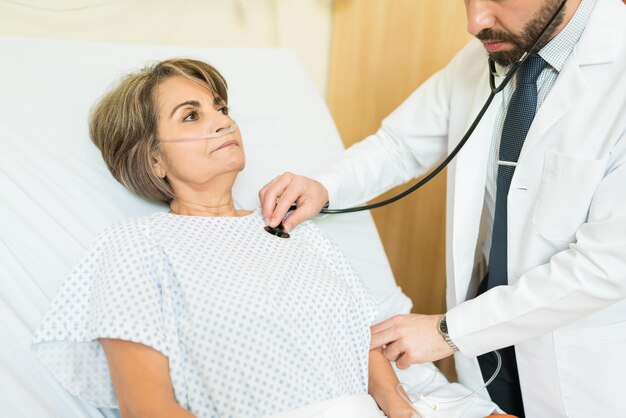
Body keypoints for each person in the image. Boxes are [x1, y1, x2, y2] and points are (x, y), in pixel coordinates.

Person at [258, 0, 626, 417]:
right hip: (490, 355)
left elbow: (607, 265)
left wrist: (448, 331)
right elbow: (398, 145)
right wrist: (326, 184)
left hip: (585, 367)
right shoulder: (490, 53)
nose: (475, 22)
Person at [29, 58, 415, 418]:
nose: (222, 122)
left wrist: (403, 411)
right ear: (154, 160)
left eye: (222, 109)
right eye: (192, 115)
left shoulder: (293, 228)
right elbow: (145, 407)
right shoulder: (138, 244)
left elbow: (363, 342)